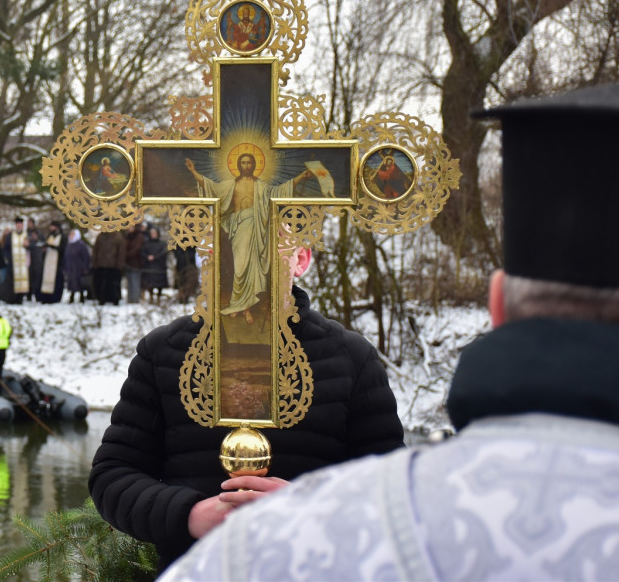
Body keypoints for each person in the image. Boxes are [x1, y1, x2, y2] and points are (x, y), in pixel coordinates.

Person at [161, 82, 619, 581]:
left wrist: (301, 512)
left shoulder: (301, 539)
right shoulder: (164, 351)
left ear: (497, 305)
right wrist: (187, 511)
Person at [90, 241, 403, 571]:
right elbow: (113, 476)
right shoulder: (164, 352)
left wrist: (314, 508)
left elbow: (394, 494)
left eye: (268, 242)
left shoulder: (351, 358)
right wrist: (190, 515)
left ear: (302, 259)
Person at [185, 155, 320, 320]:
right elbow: (209, 186)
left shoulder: (342, 346)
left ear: (300, 259)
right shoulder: (164, 345)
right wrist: (192, 172)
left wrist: (300, 177)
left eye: (270, 236)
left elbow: (284, 188)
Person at [0, 217, 30, 305]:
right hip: (13, 263)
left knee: (23, 281)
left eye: (21, 224)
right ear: (15, 225)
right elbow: (5, 249)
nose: (19, 226)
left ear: (23, 225)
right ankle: (13, 299)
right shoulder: (10, 235)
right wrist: (9, 258)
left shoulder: (27, 234)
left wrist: (28, 245)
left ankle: (21, 298)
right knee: (12, 281)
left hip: (24, 263)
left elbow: (32, 246)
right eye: (17, 224)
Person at [91, 229, 125, 305]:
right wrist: (95, 262)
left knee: (114, 284)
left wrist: (120, 264)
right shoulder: (100, 236)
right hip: (101, 264)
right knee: (102, 284)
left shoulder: (117, 236)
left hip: (114, 265)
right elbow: (95, 250)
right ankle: (102, 299)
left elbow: (121, 252)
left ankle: (115, 299)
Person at [35, 222, 65, 304]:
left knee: (56, 281)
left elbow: (63, 249)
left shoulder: (62, 237)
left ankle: (54, 298)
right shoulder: (50, 236)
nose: (51, 229)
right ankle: (45, 298)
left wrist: (52, 246)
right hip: (48, 262)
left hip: (57, 263)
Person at [141, 226, 169, 302]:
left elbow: (164, 252)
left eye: (154, 233)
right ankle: (151, 296)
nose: (153, 235)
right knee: (150, 283)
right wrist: (148, 257)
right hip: (149, 266)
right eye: (152, 233)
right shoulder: (146, 244)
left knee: (160, 284)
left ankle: (159, 297)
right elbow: (142, 252)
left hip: (159, 266)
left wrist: (155, 257)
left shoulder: (162, 244)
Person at [63, 229, 91, 304]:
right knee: (71, 282)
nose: (71, 236)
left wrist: (85, 267)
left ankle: (81, 297)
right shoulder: (69, 245)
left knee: (79, 283)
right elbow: (66, 257)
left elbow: (86, 257)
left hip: (79, 267)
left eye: (73, 235)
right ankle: (71, 296)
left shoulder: (81, 245)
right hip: (70, 267)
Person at [122, 223, 145, 304]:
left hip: (136, 263)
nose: (129, 228)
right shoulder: (127, 236)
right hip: (127, 263)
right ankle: (130, 299)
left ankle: (135, 300)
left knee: (135, 282)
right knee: (129, 282)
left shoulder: (139, 236)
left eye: (131, 227)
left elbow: (136, 249)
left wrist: (126, 255)